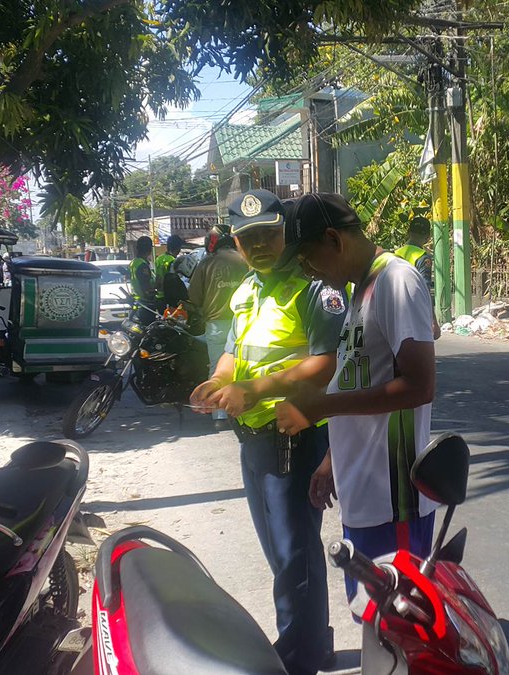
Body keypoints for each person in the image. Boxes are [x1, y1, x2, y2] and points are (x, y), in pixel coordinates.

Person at [188, 189, 343, 675]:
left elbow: (326, 363)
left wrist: (255, 390)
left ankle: (298, 659)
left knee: (294, 554)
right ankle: (313, 640)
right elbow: (234, 350)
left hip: (292, 438)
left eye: (268, 234)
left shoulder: (315, 288)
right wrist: (217, 381)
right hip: (254, 440)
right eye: (248, 237)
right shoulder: (248, 289)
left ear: (285, 233)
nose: (259, 245)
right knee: (280, 554)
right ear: (235, 240)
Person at [272, 192, 438, 605]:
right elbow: (358, 382)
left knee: (399, 625)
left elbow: (420, 386)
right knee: (373, 621)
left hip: (394, 499)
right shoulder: (359, 291)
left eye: (308, 258)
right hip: (364, 494)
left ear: (334, 239)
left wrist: (319, 408)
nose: (309, 272)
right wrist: (331, 461)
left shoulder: (395, 280)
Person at [188, 225, 249, 421]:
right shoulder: (244, 259)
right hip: (243, 319)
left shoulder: (207, 262)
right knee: (244, 364)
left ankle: (219, 416)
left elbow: (194, 296)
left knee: (217, 367)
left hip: (215, 324)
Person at [394, 216, 435, 299]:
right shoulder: (423, 258)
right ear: (427, 237)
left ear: (408, 232)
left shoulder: (394, 254)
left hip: (395, 302)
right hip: (413, 304)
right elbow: (424, 289)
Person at [128, 236, 158, 324]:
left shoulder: (133, 262)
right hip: (145, 305)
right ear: (149, 250)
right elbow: (146, 287)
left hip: (136, 303)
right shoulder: (142, 265)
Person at [154, 234, 184, 310]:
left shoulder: (159, 259)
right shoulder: (173, 261)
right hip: (170, 298)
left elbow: (158, 277)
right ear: (178, 248)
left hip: (159, 296)